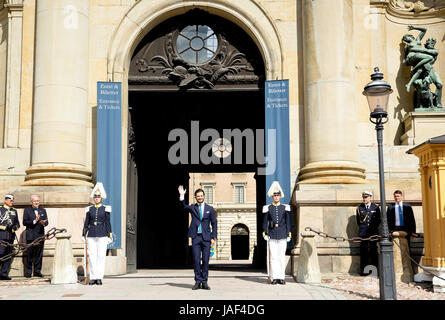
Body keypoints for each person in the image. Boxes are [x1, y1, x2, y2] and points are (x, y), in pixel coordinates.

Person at [178, 185, 217, 290]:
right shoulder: (192, 207)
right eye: (198, 196)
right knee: (195, 260)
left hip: (206, 238)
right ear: (195, 197)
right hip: (195, 237)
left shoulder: (210, 209)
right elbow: (183, 207)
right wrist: (182, 195)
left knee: (205, 261)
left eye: (201, 196)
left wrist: (213, 237)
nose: (200, 197)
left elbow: (214, 223)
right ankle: (197, 281)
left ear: (204, 196)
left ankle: (204, 282)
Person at [82, 182, 112, 285]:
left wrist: (109, 235)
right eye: (95, 197)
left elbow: (108, 223)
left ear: (101, 198)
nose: (96, 198)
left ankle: (99, 277)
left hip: (102, 233)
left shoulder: (105, 209)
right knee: (92, 256)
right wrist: (83, 234)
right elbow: (86, 223)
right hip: (91, 234)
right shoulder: (89, 209)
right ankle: (93, 277)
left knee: (101, 256)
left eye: (98, 197)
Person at [262, 181, 291, 285]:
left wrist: (288, 233)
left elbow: (288, 221)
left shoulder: (285, 207)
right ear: (272, 196)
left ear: (280, 196)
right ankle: (274, 277)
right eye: (275, 195)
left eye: (278, 195)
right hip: (272, 234)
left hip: (282, 233)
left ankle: (281, 277)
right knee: (273, 257)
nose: (276, 197)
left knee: (281, 257)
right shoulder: (268, 208)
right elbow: (265, 222)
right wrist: (265, 233)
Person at [355, 191, 381, 276]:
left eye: (366, 197)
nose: (364, 199)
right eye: (363, 197)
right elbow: (359, 221)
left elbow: (378, 220)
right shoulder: (360, 208)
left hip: (373, 232)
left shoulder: (375, 207)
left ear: (370, 197)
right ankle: (364, 271)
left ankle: (374, 271)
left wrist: (373, 228)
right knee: (363, 252)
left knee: (374, 251)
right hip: (363, 233)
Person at [23, 195, 48, 278]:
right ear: (31, 202)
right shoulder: (27, 210)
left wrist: (44, 223)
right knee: (30, 254)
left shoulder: (43, 210)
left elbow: (47, 222)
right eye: (35, 201)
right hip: (31, 236)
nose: (37, 202)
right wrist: (34, 221)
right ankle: (28, 272)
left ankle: (37, 271)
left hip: (40, 235)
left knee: (39, 255)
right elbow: (24, 222)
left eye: (38, 201)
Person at [0, 194, 20, 280]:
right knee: (0, 254)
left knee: (8, 255)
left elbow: (18, 224)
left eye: (13, 200)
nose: (12, 202)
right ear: (6, 200)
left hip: (10, 237)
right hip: (1, 236)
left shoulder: (14, 211)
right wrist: (4, 227)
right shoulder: (0, 210)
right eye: (10, 200)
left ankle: (4, 274)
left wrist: (13, 228)